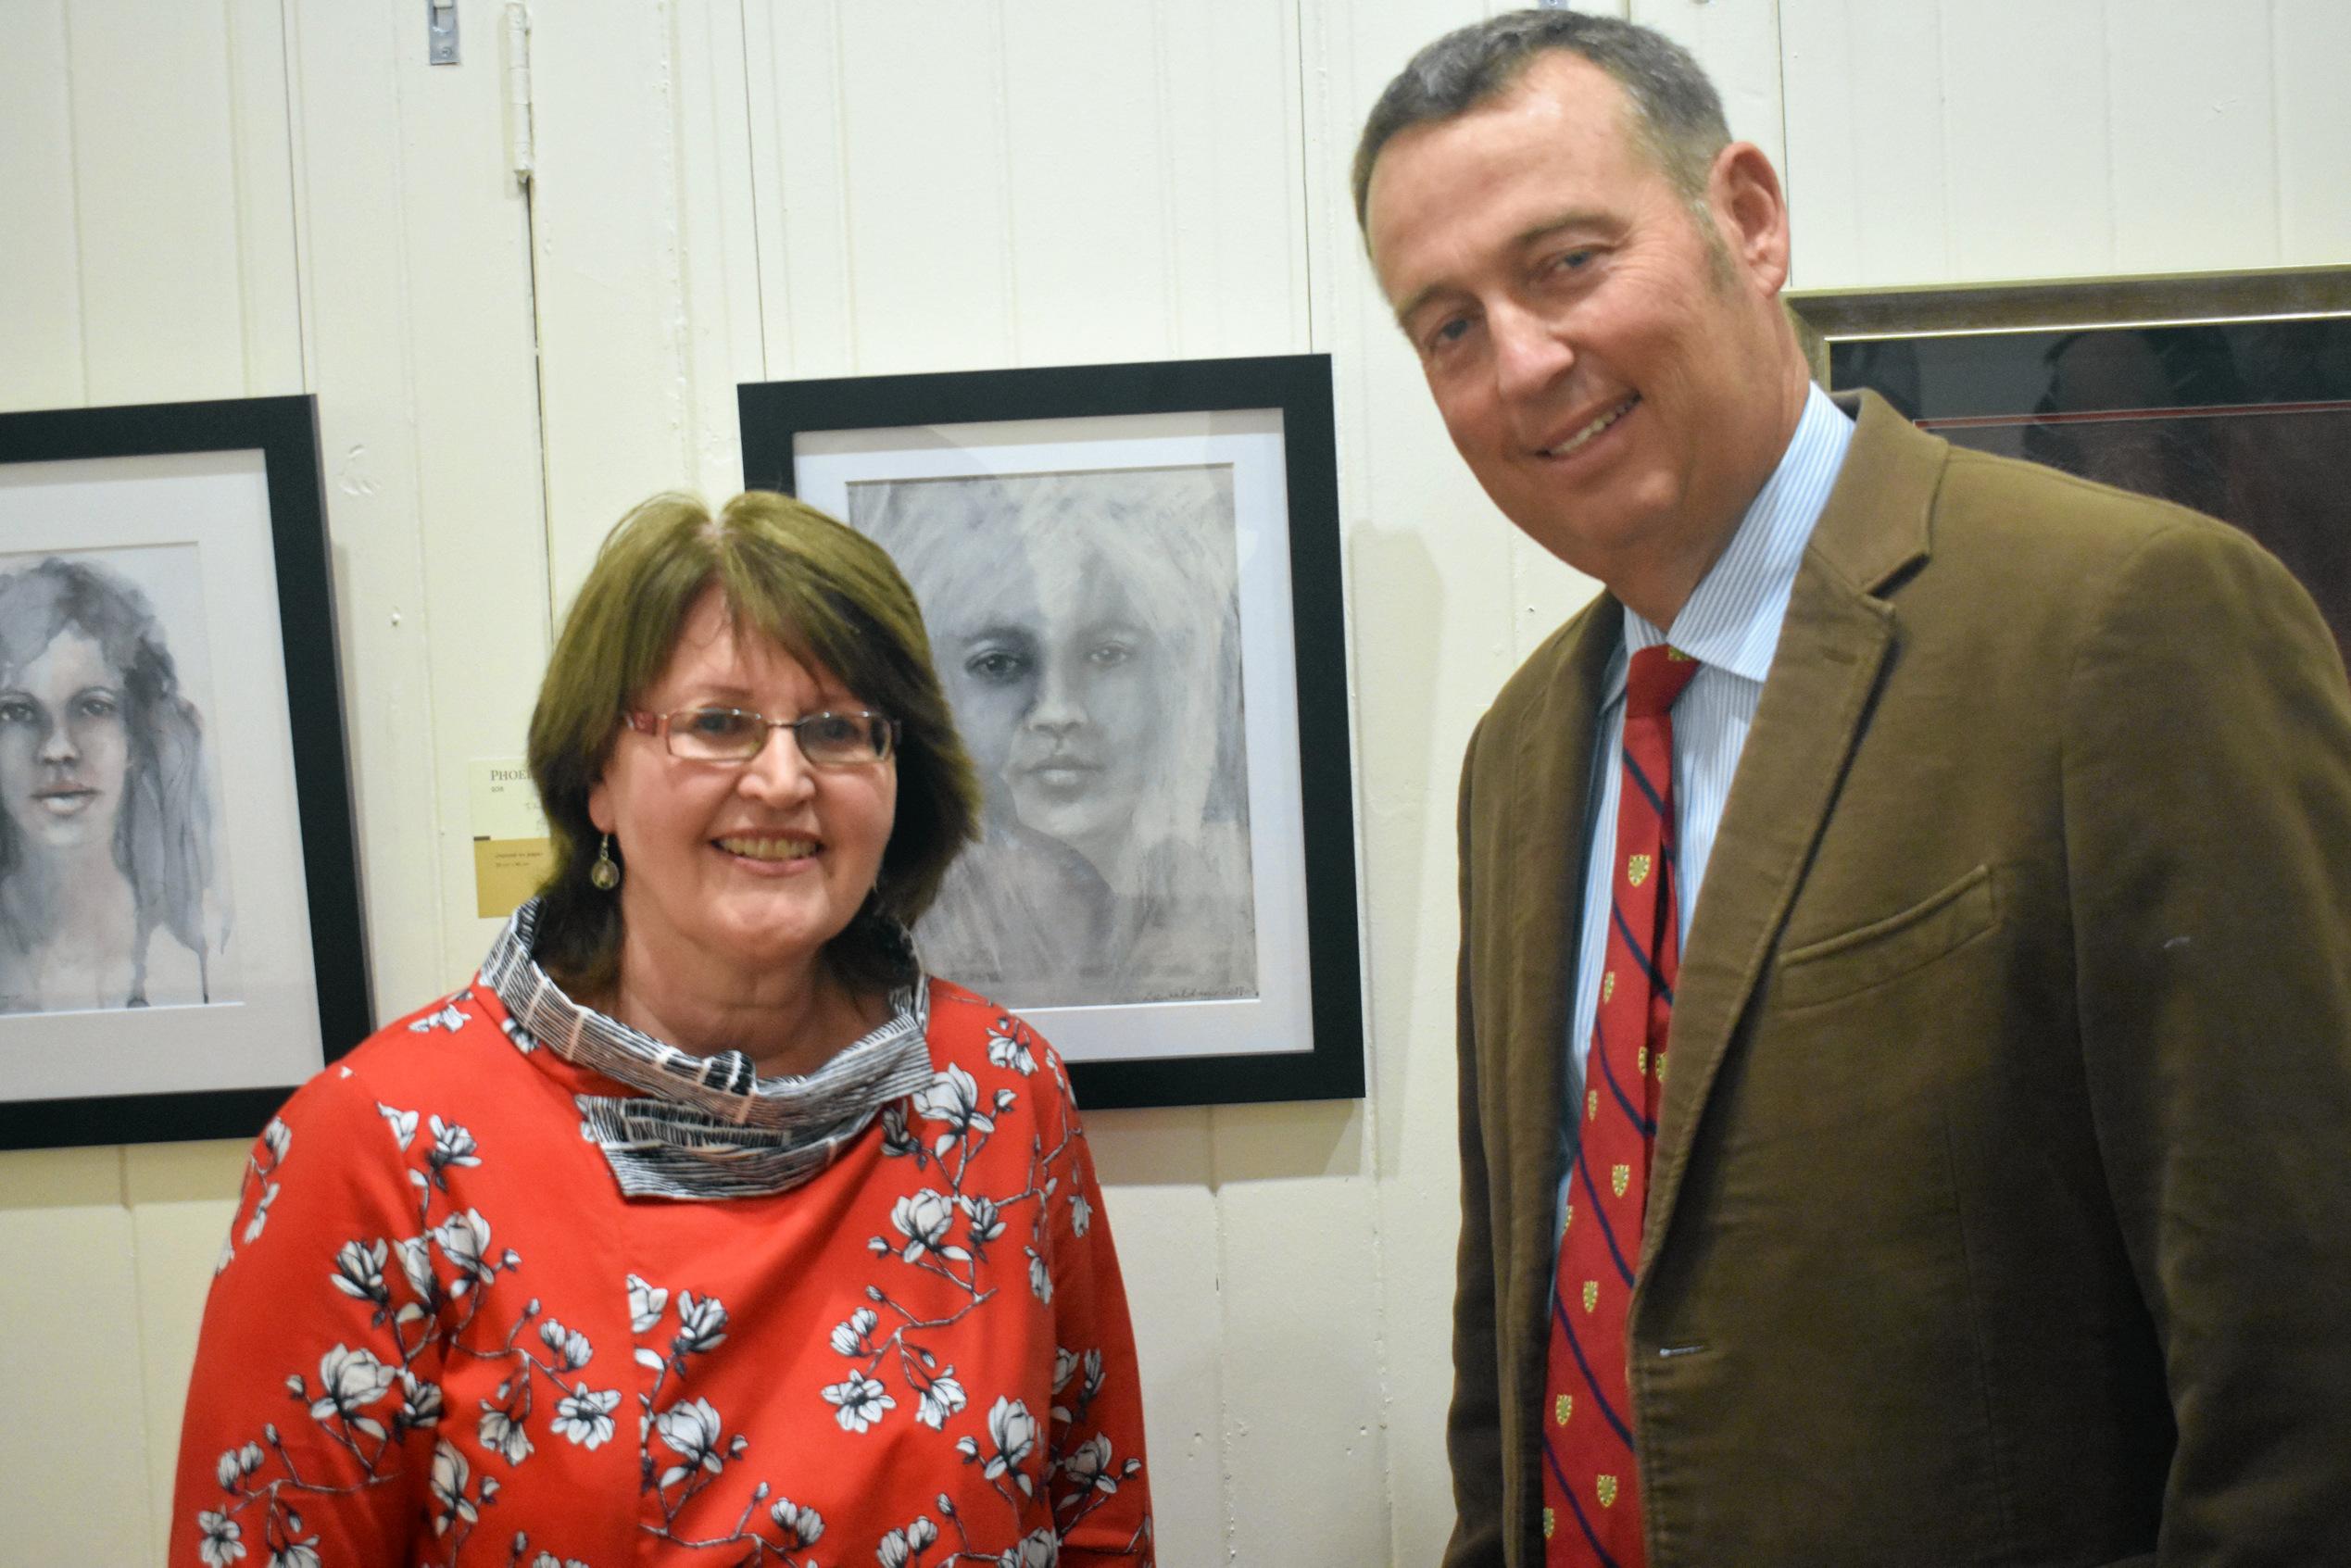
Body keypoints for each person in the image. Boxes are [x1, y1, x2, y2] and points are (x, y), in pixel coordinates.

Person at [1354, 12, 2351, 1566]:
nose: (1521, 363)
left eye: (1562, 264)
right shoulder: (1522, 749)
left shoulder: (2121, 623)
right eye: (1446, 326)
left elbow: (2304, 1352)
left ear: (1745, 219)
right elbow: (1526, 1339)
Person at [171, 493, 1155, 1567]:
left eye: (836, 729)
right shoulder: (385, 1149)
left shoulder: (1000, 1095)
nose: (783, 780)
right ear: (597, 772)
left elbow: (1097, 1517)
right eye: (718, 722)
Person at [855, 468, 1256, 1008]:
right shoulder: (890, 946)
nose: (1059, 712)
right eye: (999, 663)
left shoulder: (1234, 918)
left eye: (1107, 655)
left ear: (1171, 674)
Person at [0, 554, 223, 1012]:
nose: (58, 749)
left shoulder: (196, 956)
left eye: (92, 707)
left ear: (135, 739)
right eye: (18, 713)